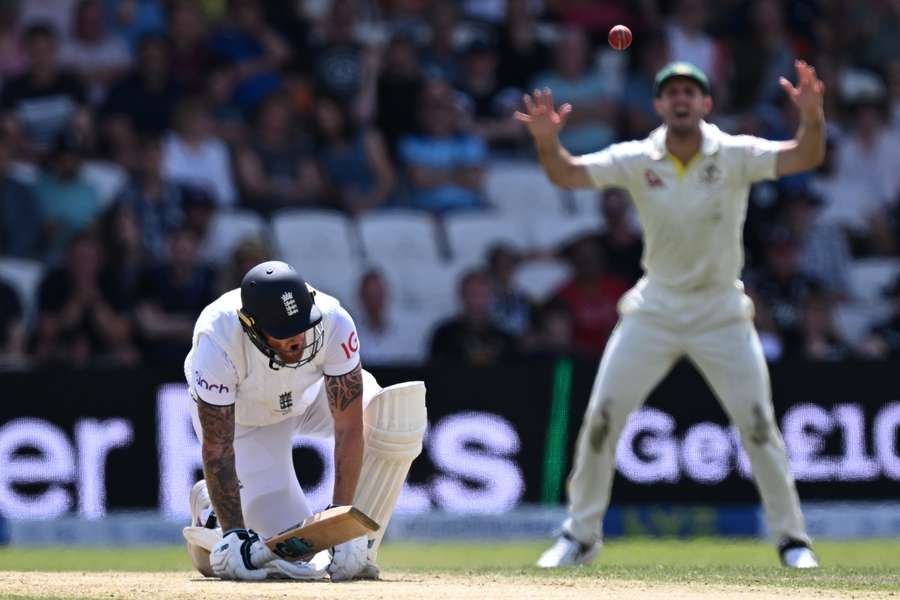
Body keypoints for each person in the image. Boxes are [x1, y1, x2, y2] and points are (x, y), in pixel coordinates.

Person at [515, 59, 826, 569]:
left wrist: (811, 116)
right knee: (602, 419)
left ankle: (792, 540)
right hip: (654, 309)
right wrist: (548, 141)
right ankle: (580, 535)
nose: (681, 99)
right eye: (671, 92)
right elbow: (567, 174)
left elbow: (805, 155)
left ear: (706, 103)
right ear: (659, 105)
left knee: (757, 425)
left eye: (690, 91)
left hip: (722, 310)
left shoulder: (735, 153)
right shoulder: (640, 157)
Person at [181, 260, 427, 581]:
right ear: (250, 325)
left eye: (301, 325)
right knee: (291, 558)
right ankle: (213, 517)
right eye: (284, 334)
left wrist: (341, 525)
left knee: (393, 414)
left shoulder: (334, 320)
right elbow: (217, 447)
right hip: (246, 423)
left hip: (310, 399)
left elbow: (349, 427)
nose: (298, 341)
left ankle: (359, 550)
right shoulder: (217, 339)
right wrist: (234, 532)